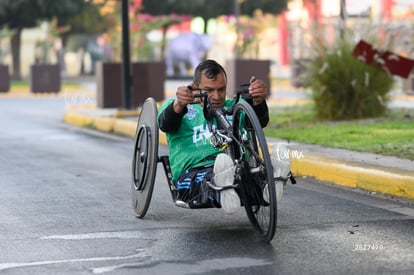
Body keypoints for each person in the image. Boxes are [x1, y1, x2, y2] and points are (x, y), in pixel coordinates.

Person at [158, 59, 271, 213]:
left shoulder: (236, 107)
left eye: (221, 89)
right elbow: (166, 125)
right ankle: (224, 187)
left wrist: (258, 102)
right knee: (209, 178)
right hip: (196, 171)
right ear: (194, 87)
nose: (216, 96)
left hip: (237, 167)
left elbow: (259, 122)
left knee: (249, 175)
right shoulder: (180, 108)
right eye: (209, 90)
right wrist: (178, 105)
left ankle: (271, 181)